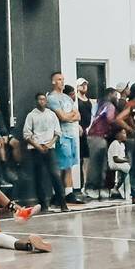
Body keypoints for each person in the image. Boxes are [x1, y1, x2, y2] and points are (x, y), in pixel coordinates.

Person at [21, 92, 62, 211]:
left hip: (50, 148)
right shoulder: (31, 115)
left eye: (44, 99)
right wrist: (38, 146)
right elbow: (27, 134)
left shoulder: (52, 115)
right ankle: (43, 204)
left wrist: (49, 144)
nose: (42, 101)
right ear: (36, 101)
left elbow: (57, 133)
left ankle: (62, 202)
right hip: (36, 149)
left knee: (55, 175)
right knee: (39, 177)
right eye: (39, 99)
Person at [44, 75, 82, 204]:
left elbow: (78, 115)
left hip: (71, 134)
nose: (62, 82)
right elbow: (62, 117)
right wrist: (69, 116)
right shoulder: (52, 98)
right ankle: (58, 193)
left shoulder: (67, 98)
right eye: (59, 79)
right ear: (53, 81)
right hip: (61, 135)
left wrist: (69, 116)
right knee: (60, 165)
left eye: (63, 79)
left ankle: (69, 192)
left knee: (69, 165)